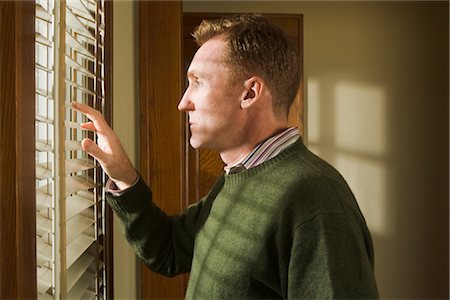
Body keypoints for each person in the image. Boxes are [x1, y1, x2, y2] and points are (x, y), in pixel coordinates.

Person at [73, 14, 379, 299]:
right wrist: (125, 177)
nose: (183, 102)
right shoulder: (238, 179)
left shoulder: (313, 197)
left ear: (250, 93)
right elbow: (168, 251)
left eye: (197, 82)